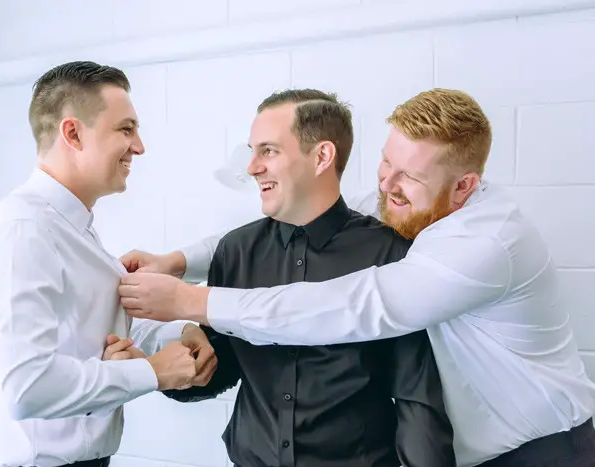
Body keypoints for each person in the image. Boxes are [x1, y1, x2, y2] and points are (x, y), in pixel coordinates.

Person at [117, 88, 595, 467]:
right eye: (387, 161)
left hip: (544, 452)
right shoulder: (406, 203)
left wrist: (191, 301)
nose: (385, 185)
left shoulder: (484, 245)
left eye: (407, 176)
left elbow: (353, 306)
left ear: (464, 186)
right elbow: (281, 224)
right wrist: (181, 260)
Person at [160, 89, 456, 467]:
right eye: (252, 151)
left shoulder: (392, 256)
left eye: (268, 151)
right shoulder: (234, 252)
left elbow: (417, 398)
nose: (251, 167)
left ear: (322, 157)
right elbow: (224, 366)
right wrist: (176, 371)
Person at [0, 61, 216, 467]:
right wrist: (153, 372)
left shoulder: (73, 229)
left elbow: (95, 331)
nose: (139, 146)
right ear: (73, 133)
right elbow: (26, 387)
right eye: (125, 129)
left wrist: (176, 334)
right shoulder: (22, 231)